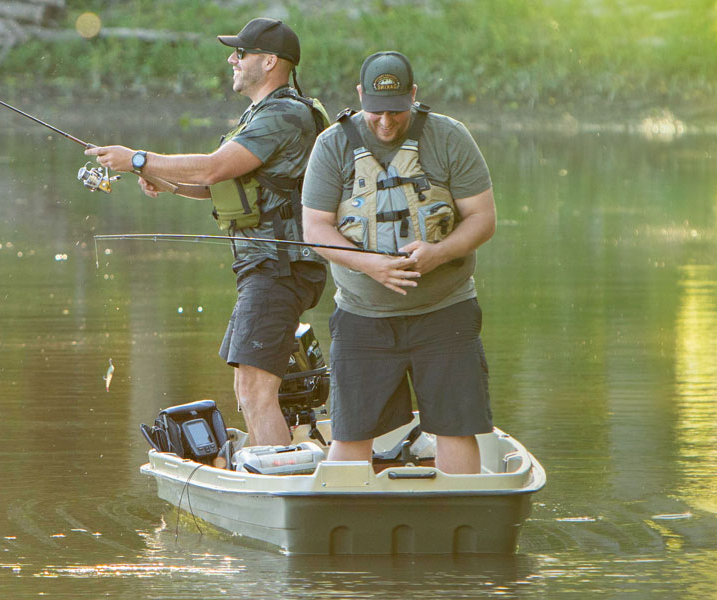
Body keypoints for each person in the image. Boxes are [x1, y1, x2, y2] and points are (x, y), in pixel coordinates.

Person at [86, 17, 330, 454]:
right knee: (247, 387)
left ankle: (276, 484)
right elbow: (219, 184)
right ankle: (271, 471)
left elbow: (214, 166)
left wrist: (139, 159)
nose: (231, 59)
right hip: (265, 267)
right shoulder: (262, 114)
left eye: (241, 52)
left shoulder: (285, 115)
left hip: (281, 267)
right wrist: (165, 181)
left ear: (270, 61)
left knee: (255, 389)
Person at [299, 51, 500, 475]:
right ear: (359, 96)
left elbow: (483, 219)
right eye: (375, 112)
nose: (386, 122)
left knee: (457, 428)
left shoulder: (449, 137)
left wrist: (439, 253)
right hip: (362, 316)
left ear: (413, 95)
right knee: (350, 434)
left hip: (446, 312)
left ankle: (457, 524)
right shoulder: (331, 145)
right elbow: (315, 228)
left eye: (396, 111)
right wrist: (369, 264)